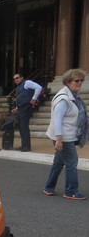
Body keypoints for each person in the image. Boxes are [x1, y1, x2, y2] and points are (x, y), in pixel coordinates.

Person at [43, 69, 87, 200]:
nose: (79, 83)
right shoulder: (63, 99)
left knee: (58, 162)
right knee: (72, 162)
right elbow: (58, 120)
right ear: (68, 82)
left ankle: (48, 187)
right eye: (76, 80)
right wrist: (59, 140)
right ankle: (70, 191)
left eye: (81, 80)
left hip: (67, 135)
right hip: (63, 136)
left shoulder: (73, 96)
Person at [12, 73, 42, 152]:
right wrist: (17, 107)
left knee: (24, 126)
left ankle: (26, 146)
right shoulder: (19, 87)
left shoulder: (27, 83)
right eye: (14, 79)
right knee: (21, 127)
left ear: (21, 77)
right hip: (21, 107)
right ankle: (24, 145)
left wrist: (34, 98)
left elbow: (39, 87)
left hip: (26, 107)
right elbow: (20, 98)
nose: (15, 80)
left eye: (17, 78)